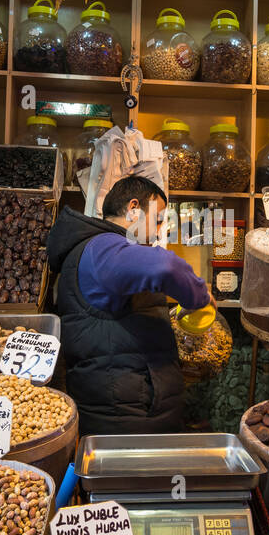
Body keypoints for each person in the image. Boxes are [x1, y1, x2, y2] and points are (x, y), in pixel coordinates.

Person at [46, 176, 210, 434]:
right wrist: (199, 296)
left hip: (122, 404)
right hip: (124, 413)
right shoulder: (103, 246)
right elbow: (165, 267)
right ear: (133, 208)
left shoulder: (99, 249)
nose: (157, 232)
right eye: (157, 220)